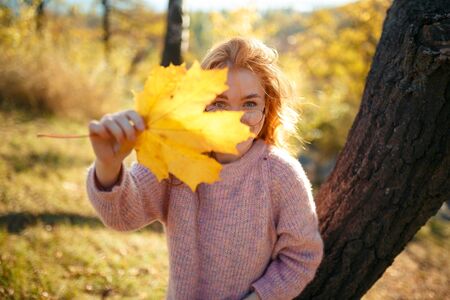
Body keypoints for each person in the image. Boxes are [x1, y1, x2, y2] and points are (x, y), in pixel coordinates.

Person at [86, 37, 324, 300]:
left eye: (250, 103)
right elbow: (122, 216)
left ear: (267, 110)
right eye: (220, 104)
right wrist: (108, 165)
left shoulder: (282, 175)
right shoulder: (176, 160)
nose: (236, 118)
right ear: (200, 108)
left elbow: (301, 256)